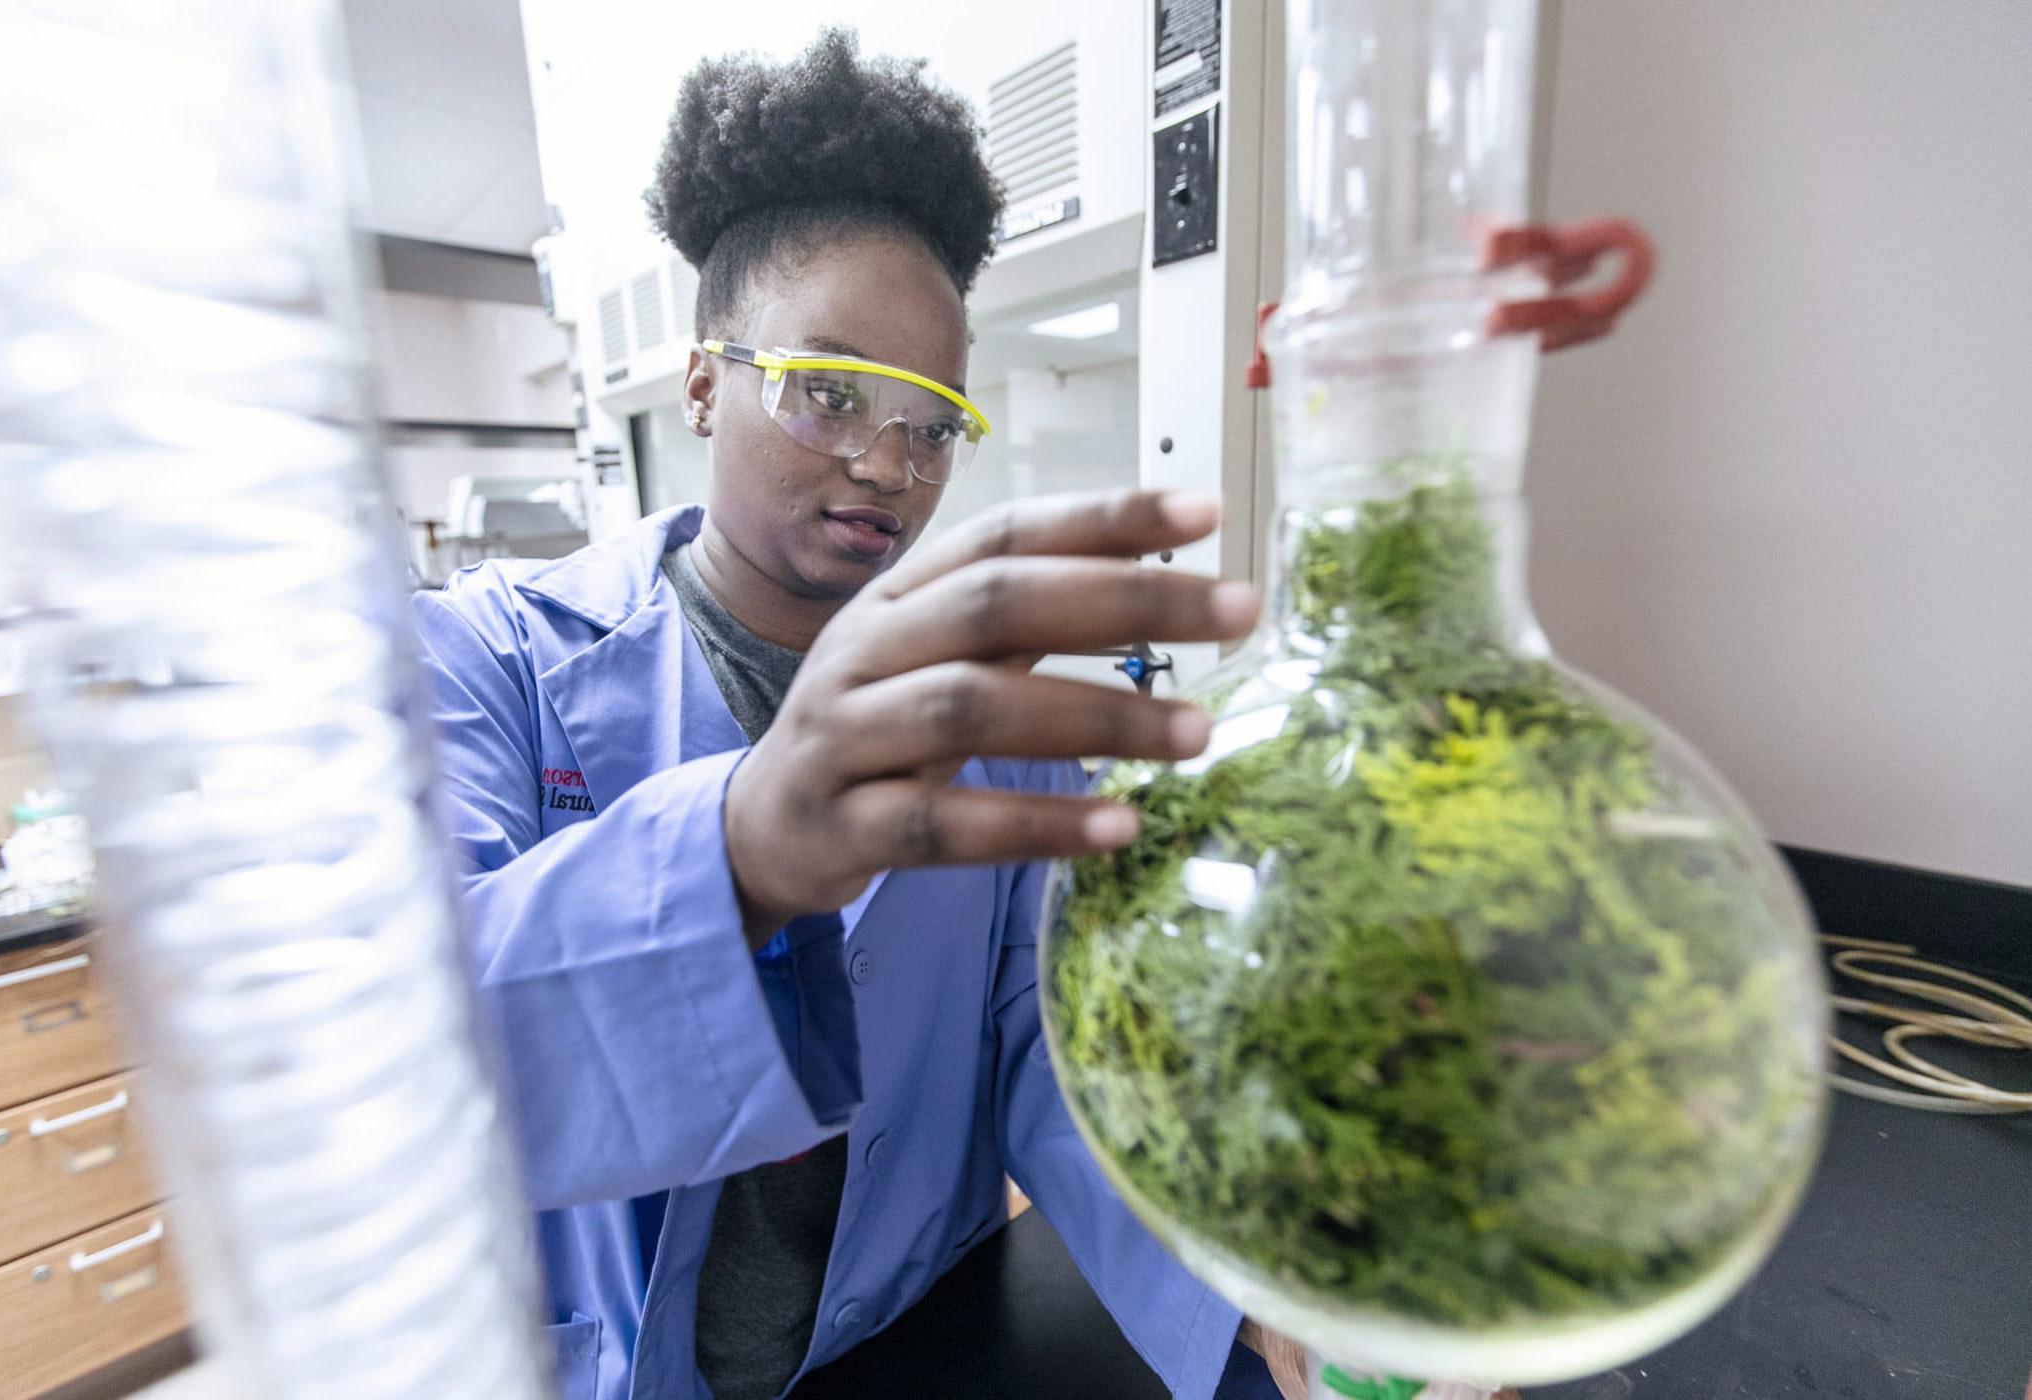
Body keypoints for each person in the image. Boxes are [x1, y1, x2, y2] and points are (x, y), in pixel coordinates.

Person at [412, 29, 1640, 1400]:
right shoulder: (489, 657)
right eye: (826, 393)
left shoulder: (981, 721)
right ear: (705, 380)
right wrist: (742, 851)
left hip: (897, 1353)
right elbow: (411, 1053)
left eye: (932, 423)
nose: (885, 459)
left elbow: (1055, 1058)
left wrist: (1265, 1287)